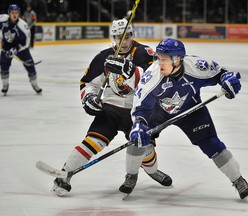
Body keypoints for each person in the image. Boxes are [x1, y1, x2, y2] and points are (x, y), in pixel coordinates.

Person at [107, 38, 248, 202]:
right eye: (158, 57)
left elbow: (221, 73)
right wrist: (139, 124)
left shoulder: (196, 66)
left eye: (163, 59)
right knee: (137, 139)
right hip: (158, 112)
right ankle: (131, 175)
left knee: (211, 143)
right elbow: (141, 107)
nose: (158, 62)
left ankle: (238, 179)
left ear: (177, 60)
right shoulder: (152, 76)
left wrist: (228, 80)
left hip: (191, 110)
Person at [51, 18, 172, 196]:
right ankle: (64, 175)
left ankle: (152, 171)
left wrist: (132, 70)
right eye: (118, 37)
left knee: (145, 148)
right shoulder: (103, 57)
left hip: (137, 110)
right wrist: (89, 97)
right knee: (92, 141)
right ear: (113, 37)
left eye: (127, 36)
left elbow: (157, 79)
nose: (123, 41)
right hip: (110, 108)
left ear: (132, 35)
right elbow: (88, 83)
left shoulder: (145, 53)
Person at [0, 4, 42, 96]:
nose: (14, 15)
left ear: (18, 13)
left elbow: (26, 43)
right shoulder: (2, 19)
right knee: (3, 66)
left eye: (16, 13)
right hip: (6, 46)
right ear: (9, 13)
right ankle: (5, 85)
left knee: (30, 66)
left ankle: (35, 85)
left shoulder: (23, 26)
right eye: (12, 13)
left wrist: (14, 50)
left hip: (21, 48)